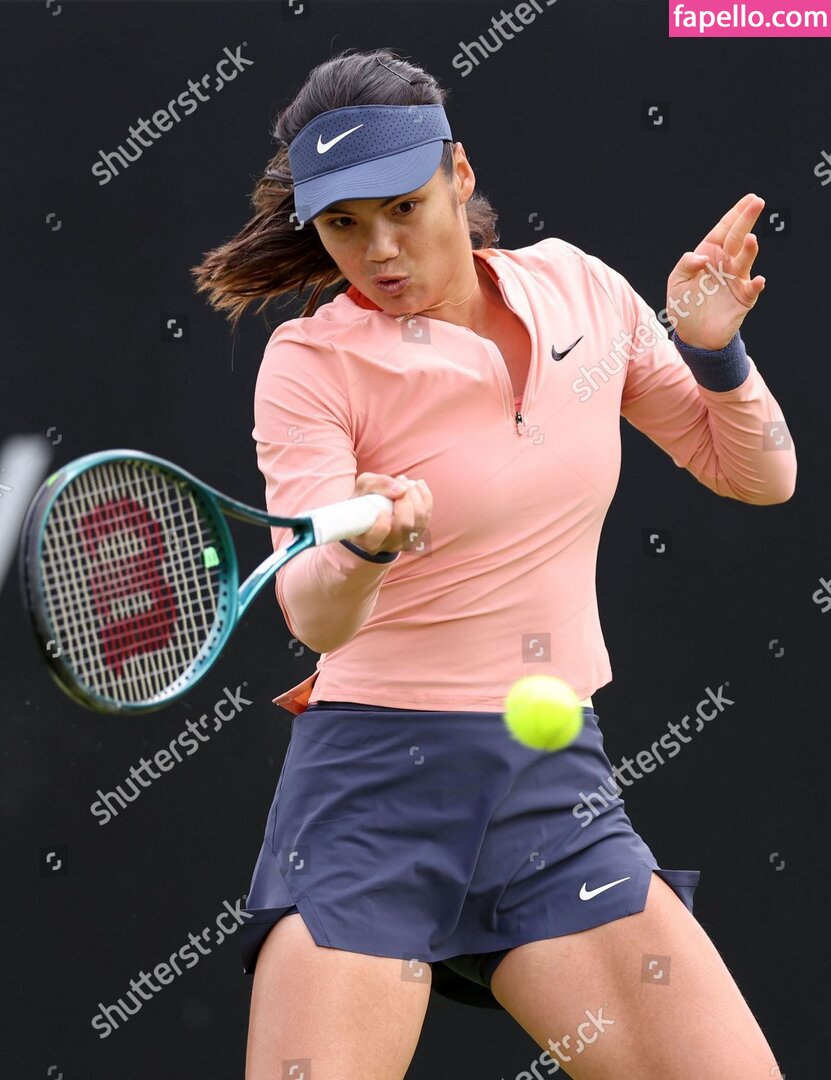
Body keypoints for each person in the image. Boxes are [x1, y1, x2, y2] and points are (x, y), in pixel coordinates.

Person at [191, 46, 794, 1080]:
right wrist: (366, 552)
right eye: (343, 225)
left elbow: (759, 474)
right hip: (370, 798)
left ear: (459, 175)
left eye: (403, 207)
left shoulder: (582, 293)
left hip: (552, 791)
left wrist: (713, 351)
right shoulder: (312, 364)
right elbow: (312, 613)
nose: (380, 250)